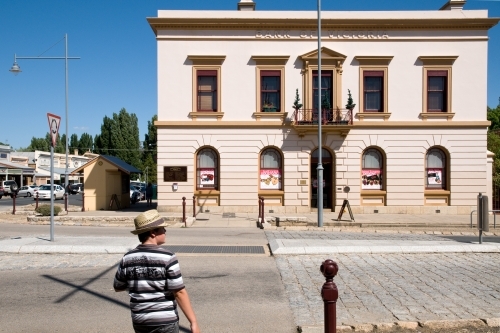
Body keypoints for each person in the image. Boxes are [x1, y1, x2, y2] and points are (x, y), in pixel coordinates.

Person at [114, 210, 200, 333]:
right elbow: (179, 292)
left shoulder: (127, 258)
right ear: (153, 232)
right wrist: (193, 322)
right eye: (162, 228)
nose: (165, 231)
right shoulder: (168, 257)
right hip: (164, 321)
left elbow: (118, 286)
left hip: (140, 321)